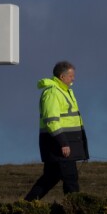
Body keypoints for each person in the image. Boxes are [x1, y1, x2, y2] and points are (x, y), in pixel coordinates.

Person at [24, 61, 89, 201]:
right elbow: (51, 120)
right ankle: (75, 212)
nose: (73, 79)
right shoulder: (53, 93)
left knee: (50, 178)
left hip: (61, 145)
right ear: (62, 76)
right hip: (60, 146)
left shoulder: (64, 91)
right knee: (70, 179)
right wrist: (63, 143)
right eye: (71, 76)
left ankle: (26, 206)